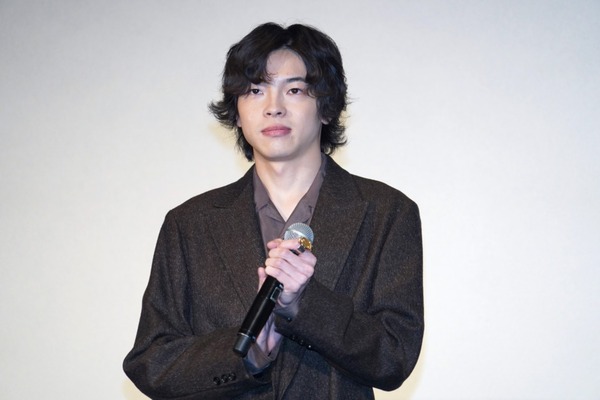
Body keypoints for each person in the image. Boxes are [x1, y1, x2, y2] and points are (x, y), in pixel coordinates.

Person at [123, 22, 423, 400]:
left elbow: (394, 357)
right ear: (236, 112)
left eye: (294, 90)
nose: (273, 107)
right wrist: (246, 353)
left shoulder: (386, 213)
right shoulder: (190, 223)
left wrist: (304, 305)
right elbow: (151, 362)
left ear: (326, 107)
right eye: (255, 90)